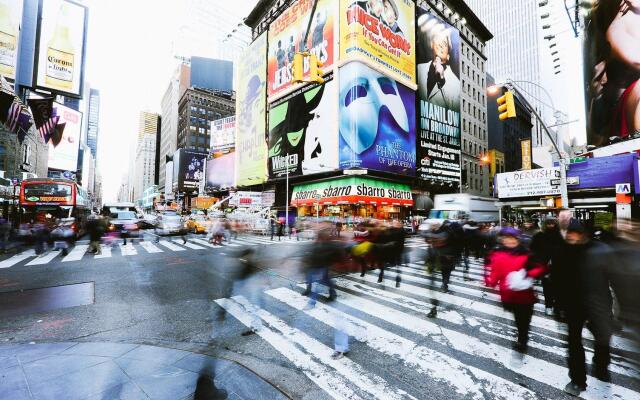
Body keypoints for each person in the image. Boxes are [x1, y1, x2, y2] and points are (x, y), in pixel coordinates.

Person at [555, 220, 615, 396]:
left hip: (599, 303)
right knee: (573, 343)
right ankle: (578, 380)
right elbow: (556, 280)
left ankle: (601, 364)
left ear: (583, 234)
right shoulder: (561, 251)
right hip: (573, 304)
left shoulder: (600, 250)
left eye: (575, 233)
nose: (571, 236)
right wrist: (557, 304)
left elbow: (615, 276)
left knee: (602, 337)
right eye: (568, 233)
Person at [484, 227, 547, 354]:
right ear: (502, 240)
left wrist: (527, 274)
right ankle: (522, 333)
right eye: (506, 239)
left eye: (512, 239)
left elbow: (540, 267)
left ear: (518, 240)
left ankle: (522, 339)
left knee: (523, 319)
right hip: (507, 294)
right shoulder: (497, 254)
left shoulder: (527, 253)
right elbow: (494, 273)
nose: (509, 241)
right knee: (517, 318)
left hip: (524, 294)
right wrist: (489, 281)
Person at [417, 25, 460, 111]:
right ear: (432, 44)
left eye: (444, 43)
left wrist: (442, 80)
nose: (440, 44)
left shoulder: (455, 83)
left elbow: (454, 112)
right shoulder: (419, 68)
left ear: (448, 56)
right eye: (438, 39)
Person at [530, 217, 564, 316]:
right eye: (548, 224)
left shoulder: (561, 236)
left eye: (552, 224)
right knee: (548, 287)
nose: (550, 226)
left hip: (559, 266)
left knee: (559, 287)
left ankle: (558, 306)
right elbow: (533, 251)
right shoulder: (539, 236)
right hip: (545, 266)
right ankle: (549, 305)